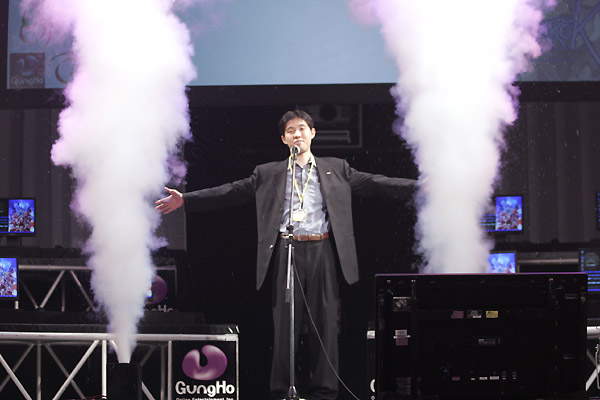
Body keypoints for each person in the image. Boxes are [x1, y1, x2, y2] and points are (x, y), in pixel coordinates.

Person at [156, 109, 417, 400]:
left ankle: (324, 392)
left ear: (312, 133)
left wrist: (417, 188)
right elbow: (230, 191)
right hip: (286, 249)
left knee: (326, 324)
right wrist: (186, 200)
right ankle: (282, 391)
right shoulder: (268, 173)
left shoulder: (336, 168)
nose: (297, 134)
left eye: (302, 128)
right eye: (291, 131)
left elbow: (377, 182)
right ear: (284, 139)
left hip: (321, 249)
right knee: (284, 325)